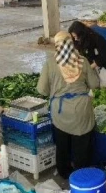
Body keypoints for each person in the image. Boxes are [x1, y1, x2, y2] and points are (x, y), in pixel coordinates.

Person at [38, 31, 99, 178]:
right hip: (82, 111)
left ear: (57, 45)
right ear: (71, 43)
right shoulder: (83, 61)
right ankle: (81, 176)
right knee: (82, 146)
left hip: (61, 112)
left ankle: (64, 172)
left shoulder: (50, 64)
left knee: (62, 145)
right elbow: (94, 84)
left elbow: (42, 89)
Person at [68, 21, 106, 91]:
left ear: (81, 34)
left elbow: (104, 57)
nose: (75, 39)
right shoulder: (80, 41)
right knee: (94, 90)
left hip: (105, 68)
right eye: (73, 37)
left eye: (75, 36)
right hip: (93, 69)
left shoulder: (97, 39)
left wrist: (88, 68)